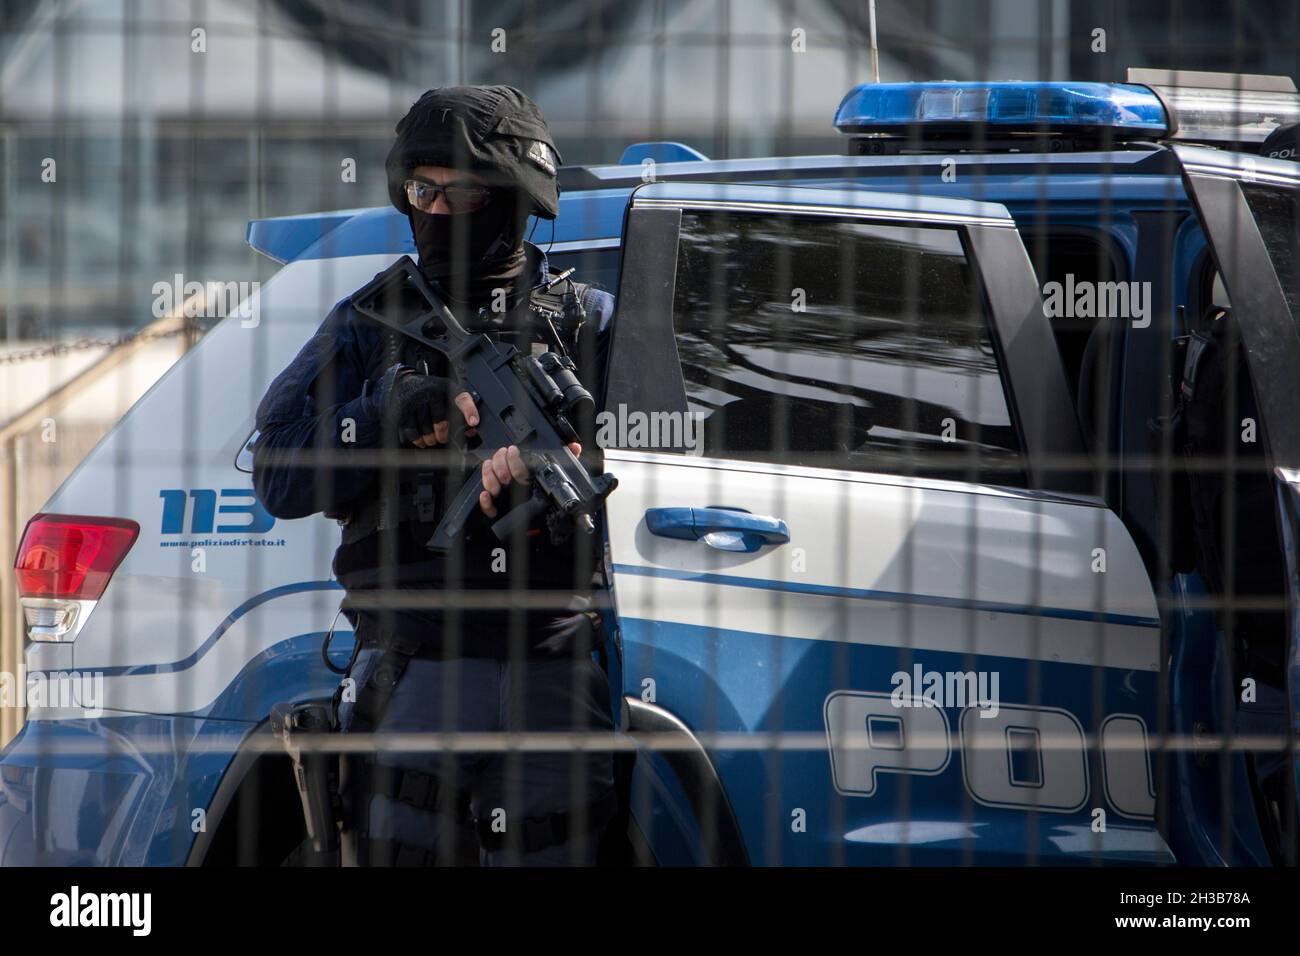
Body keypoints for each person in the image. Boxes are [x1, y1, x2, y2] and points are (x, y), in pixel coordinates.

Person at [252, 85, 618, 866]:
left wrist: (568, 471)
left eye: (468, 192)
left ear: (518, 197)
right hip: (415, 670)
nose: (444, 213)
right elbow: (278, 473)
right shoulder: (368, 322)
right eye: (425, 192)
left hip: (554, 668)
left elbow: (683, 479)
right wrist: (385, 417)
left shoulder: (589, 320)